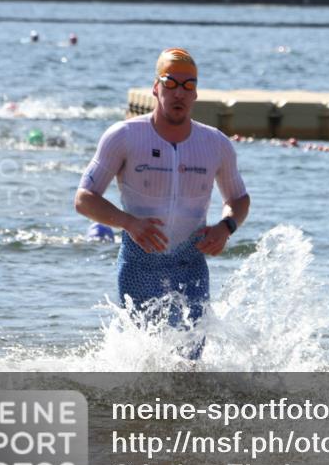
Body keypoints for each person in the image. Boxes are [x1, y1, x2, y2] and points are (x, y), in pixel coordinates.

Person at [74, 48, 249, 360]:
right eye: (171, 83)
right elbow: (84, 199)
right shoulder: (124, 136)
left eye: (188, 85)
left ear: (196, 94)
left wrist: (226, 227)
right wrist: (129, 222)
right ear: (155, 88)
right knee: (146, 360)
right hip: (139, 263)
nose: (179, 93)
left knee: (189, 361)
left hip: (190, 264)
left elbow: (238, 199)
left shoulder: (215, 144)